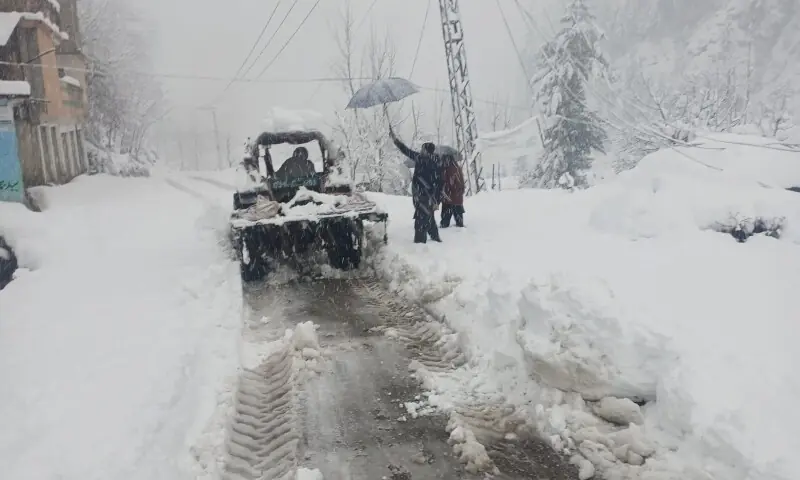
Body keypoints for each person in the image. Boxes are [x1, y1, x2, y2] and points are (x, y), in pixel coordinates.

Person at [389, 125, 443, 243]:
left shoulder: (433, 163)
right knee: (429, 218)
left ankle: (420, 245)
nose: (421, 150)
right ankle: (435, 238)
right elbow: (406, 150)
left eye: (423, 149)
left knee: (420, 222)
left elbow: (439, 183)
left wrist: (437, 200)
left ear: (428, 151)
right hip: (421, 196)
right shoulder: (421, 158)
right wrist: (395, 140)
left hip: (425, 197)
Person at [440, 154, 465, 228]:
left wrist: (444, 191)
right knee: (458, 210)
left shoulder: (449, 169)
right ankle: (459, 223)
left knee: (446, 211)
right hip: (457, 194)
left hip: (450, 195)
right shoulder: (457, 167)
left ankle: (445, 224)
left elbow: (448, 183)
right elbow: (461, 181)